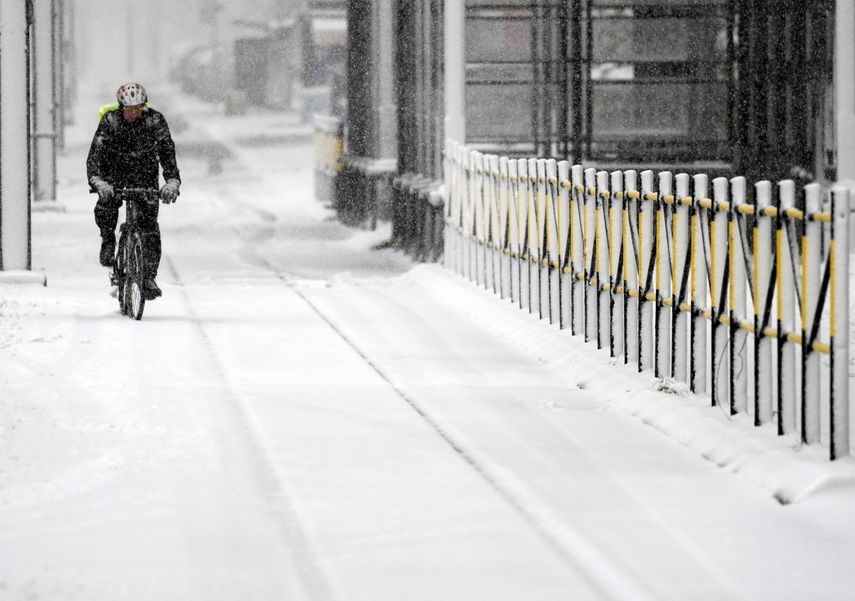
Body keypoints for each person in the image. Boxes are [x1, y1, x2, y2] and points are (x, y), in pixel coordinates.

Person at [87, 82, 181, 299]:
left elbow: (167, 151)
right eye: (129, 110)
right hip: (115, 173)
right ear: (121, 108)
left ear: (143, 107)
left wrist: (172, 181)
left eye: (137, 109)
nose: (133, 113)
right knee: (106, 205)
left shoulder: (155, 121)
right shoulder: (110, 121)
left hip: (145, 174)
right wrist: (99, 182)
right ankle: (108, 239)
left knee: (149, 227)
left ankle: (148, 275)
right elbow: (95, 156)